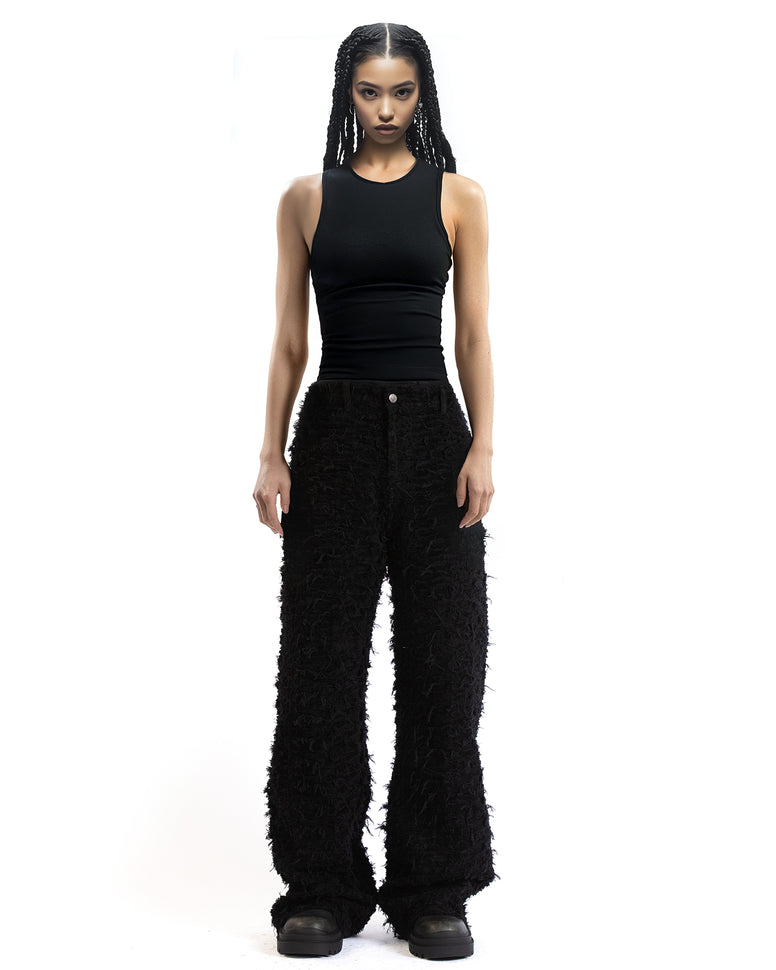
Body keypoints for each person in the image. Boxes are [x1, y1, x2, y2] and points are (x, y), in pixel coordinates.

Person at [253, 23, 497, 960]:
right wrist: (271, 453)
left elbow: (471, 334)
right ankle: (321, 887)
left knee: (443, 663)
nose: (386, 110)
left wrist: (483, 445)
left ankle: (433, 888)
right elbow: (289, 340)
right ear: (345, 94)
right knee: (320, 665)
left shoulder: (460, 198)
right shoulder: (306, 198)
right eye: (369, 92)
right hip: (336, 435)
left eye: (401, 92)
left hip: (435, 434)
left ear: (422, 93)